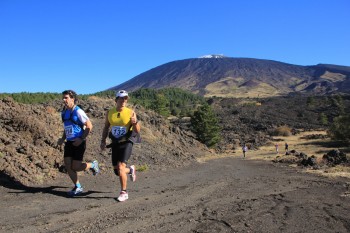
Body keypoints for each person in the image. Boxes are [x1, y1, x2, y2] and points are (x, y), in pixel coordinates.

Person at [100, 90, 141, 202]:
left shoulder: (131, 112)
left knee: (121, 167)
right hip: (115, 142)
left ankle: (124, 192)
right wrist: (103, 141)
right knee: (117, 171)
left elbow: (137, 131)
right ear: (116, 100)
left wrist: (135, 122)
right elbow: (106, 127)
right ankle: (131, 169)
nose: (124, 100)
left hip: (127, 141)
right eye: (121, 98)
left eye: (126, 98)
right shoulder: (110, 112)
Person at [57, 90, 99, 196]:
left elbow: (89, 126)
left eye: (66, 97)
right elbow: (67, 128)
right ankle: (78, 187)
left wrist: (81, 138)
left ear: (72, 99)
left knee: (75, 167)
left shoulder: (78, 111)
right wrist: (62, 139)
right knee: (68, 165)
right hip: (69, 142)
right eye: (63, 98)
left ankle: (92, 165)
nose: (64, 100)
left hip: (79, 143)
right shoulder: (64, 112)